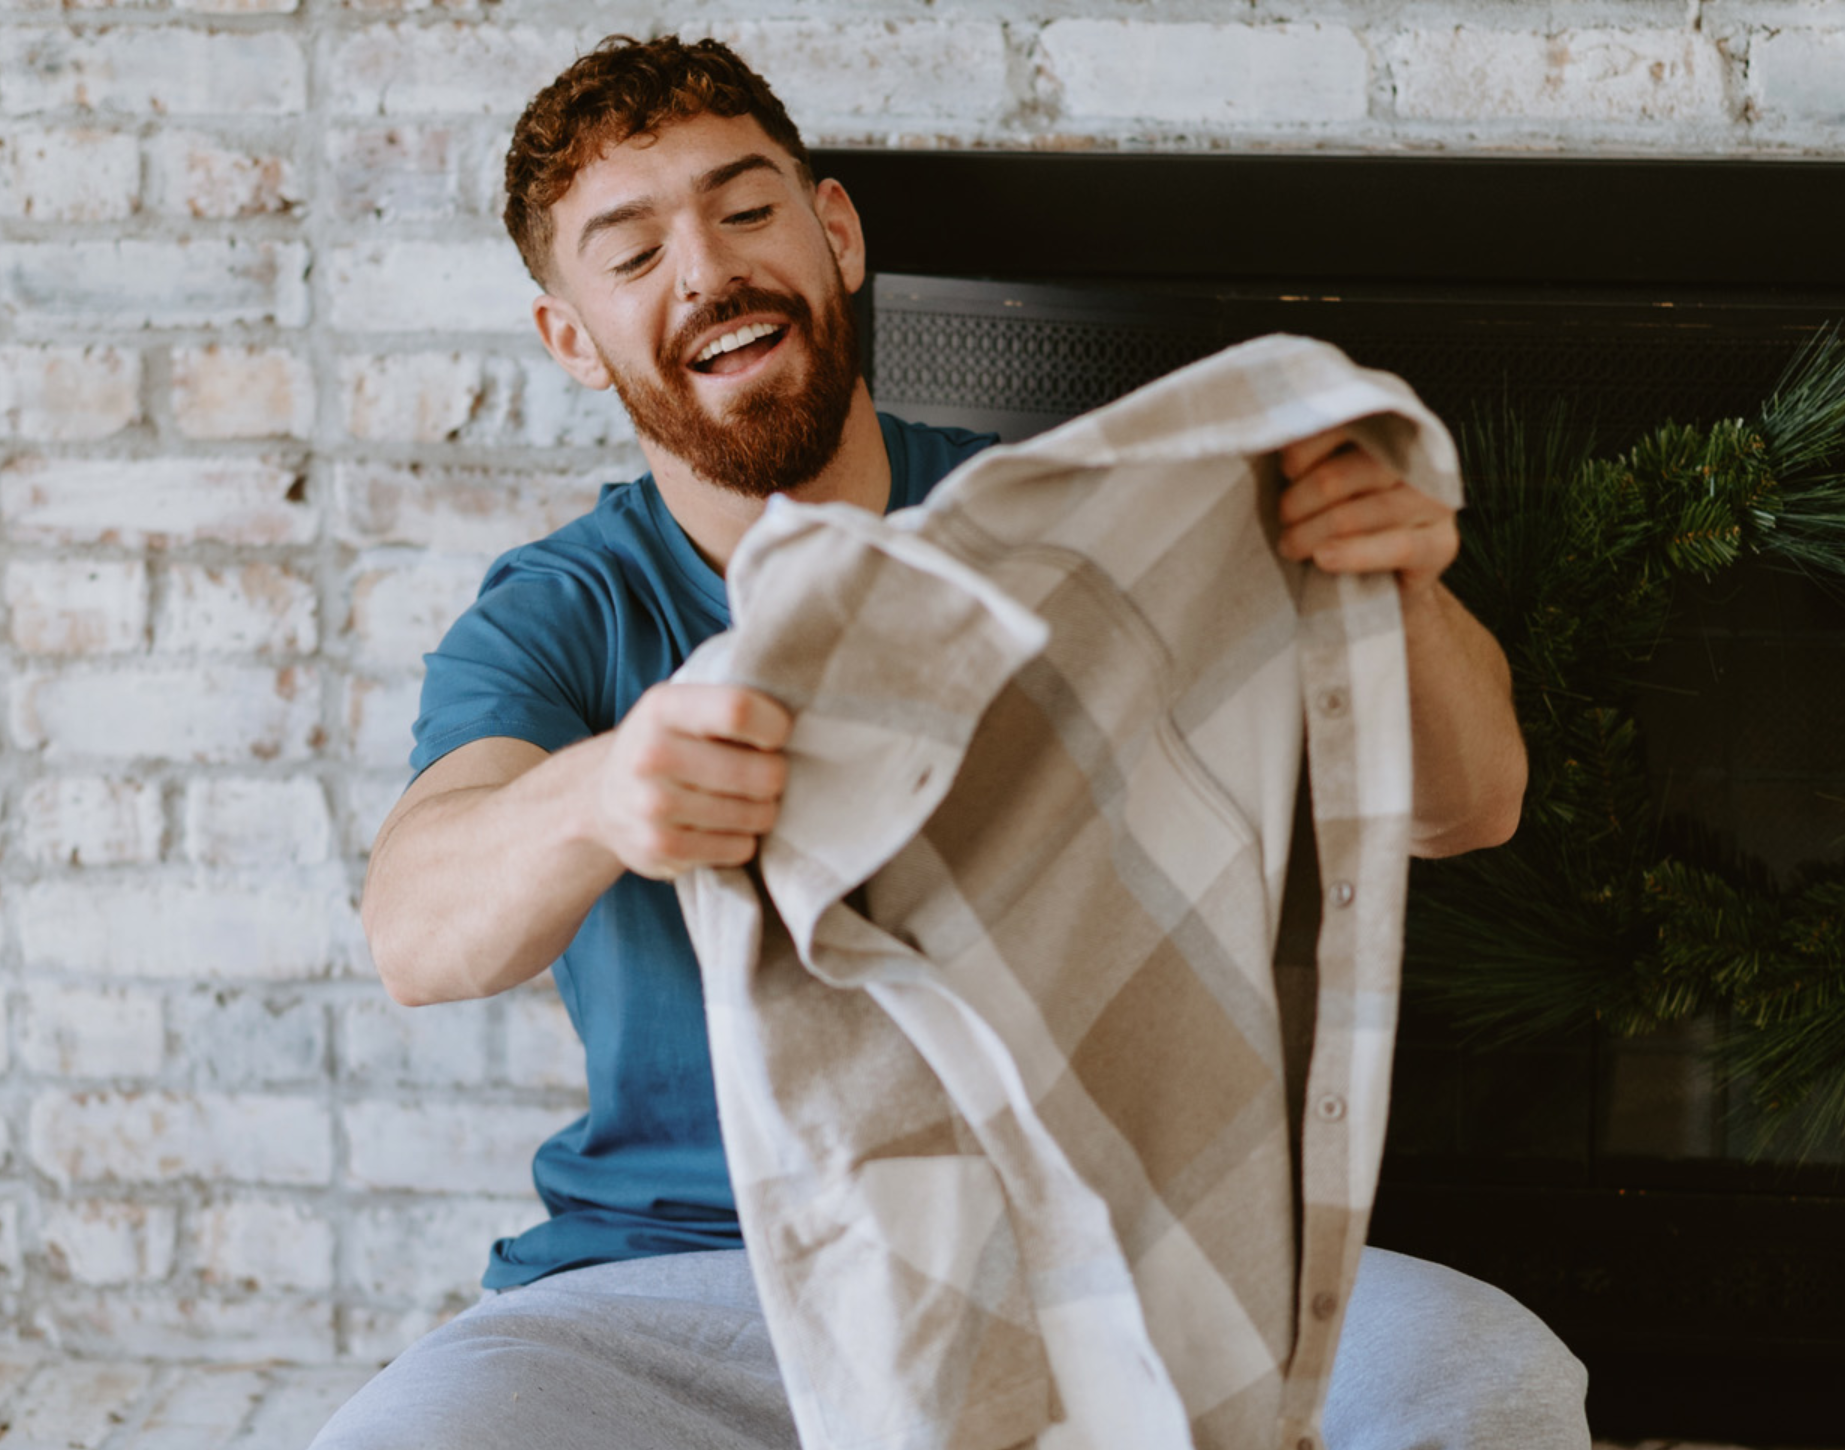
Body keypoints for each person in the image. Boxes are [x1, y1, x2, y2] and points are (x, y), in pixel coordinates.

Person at [316, 34, 1584, 1450]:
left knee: (1483, 1372)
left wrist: (1395, 588)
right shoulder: (568, 612)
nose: (707, 272)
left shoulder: (1059, 533)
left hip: (1088, 1255)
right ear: (571, 338)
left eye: (746, 212)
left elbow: (1474, 805)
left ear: (835, 234)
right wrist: (607, 791)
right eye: (631, 252)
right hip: (676, 1294)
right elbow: (418, 935)